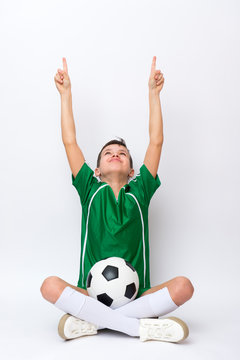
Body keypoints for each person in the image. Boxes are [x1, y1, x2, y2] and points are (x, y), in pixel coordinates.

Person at [40, 56, 194, 342]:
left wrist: (153, 94)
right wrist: (65, 95)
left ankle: (95, 322)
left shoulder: (141, 191)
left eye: (122, 154)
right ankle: (137, 327)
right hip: (91, 293)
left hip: (137, 295)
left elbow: (156, 141)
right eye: (109, 153)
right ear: (96, 170)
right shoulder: (89, 188)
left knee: (184, 286)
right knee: (49, 286)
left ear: (132, 170)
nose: (115, 154)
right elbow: (70, 141)